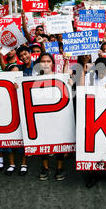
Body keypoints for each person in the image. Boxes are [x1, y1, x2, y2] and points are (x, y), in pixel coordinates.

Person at [82, 56, 106, 188]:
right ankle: (94, 173)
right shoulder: (89, 77)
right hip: (92, 115)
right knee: (94, 146)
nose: (101, 72)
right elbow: (84, 93)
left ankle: (104, 170)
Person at [33, 53, 67, 181]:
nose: (46, 63)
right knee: (43, 142)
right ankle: (45, 167)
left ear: (53, 64)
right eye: (43, 61)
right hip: (41, 115)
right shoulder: (33, 79)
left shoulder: (60, 77)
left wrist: (69, 82)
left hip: (57, 115)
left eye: (48, 61)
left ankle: (59, 167)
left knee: (58, 142)